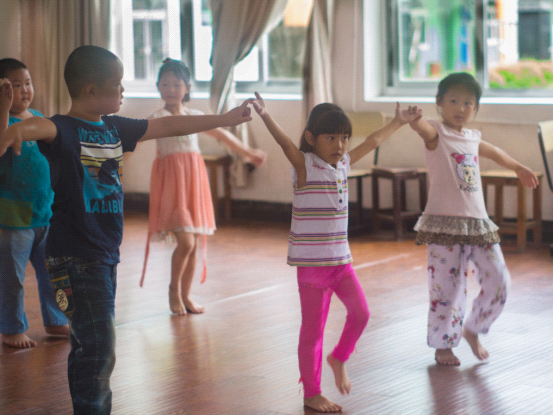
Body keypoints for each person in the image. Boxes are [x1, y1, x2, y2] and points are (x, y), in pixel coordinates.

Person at [0, 45, 254, 415]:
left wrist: (226, 119)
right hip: (75, 257)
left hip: (104, 255)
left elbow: (168, 125)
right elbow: (36, 127)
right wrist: (13, 127)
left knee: (91, 342)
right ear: (91, 91)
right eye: (117, 84)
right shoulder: (63, 129)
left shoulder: (116, 128)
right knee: (99, 345)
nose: (123, 90)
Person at [252, 92, 421, 412]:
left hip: (341, 263)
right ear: (311, 138)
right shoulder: (304, 166)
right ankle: (312, 392)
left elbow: (372, 141)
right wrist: (265, 114)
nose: (340, 145)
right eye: (331, 138)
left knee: (362, 314)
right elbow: (285, 143)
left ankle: (339, 357)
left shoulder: (343, 164)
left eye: (344, 138)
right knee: (312, 333)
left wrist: (399, 122)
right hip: (312, 268)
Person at [407, 72, 539, 366]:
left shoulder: (473, 137)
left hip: (478, 223)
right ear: (440, 102)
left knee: (499, 279)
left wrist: (519, 167)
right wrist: (415, 121)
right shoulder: (436, 133)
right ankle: (443, 345)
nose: (461, 108)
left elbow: (496, 153)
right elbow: (423, 130)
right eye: (453, 101)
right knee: (446, 289)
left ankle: (474, 328)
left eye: (468, 103)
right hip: (444, 225)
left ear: (476, 107)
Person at [140, 58, 267, 315]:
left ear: (187, 88)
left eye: (177, 84)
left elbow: (221, 133)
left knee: (195, 243)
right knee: (186, 242)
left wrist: (248, 153)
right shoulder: (157, 118)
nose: (171, 89)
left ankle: (186, 295)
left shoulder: (195, 116)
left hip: (193, 182)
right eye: (165, 84)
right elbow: (134, 141)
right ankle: (173, 290)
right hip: (172, 185)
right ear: (158, 87)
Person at [0, 58, 68, 349]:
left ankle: (56, 320)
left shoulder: (38, 117)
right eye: (15, 85)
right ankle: (11, 328)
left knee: (54, 273)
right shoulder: (4, 121)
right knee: (12, 278)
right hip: (12, 218)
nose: (25, 90)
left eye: (27, 83)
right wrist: (3, 108)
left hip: (45, 211)